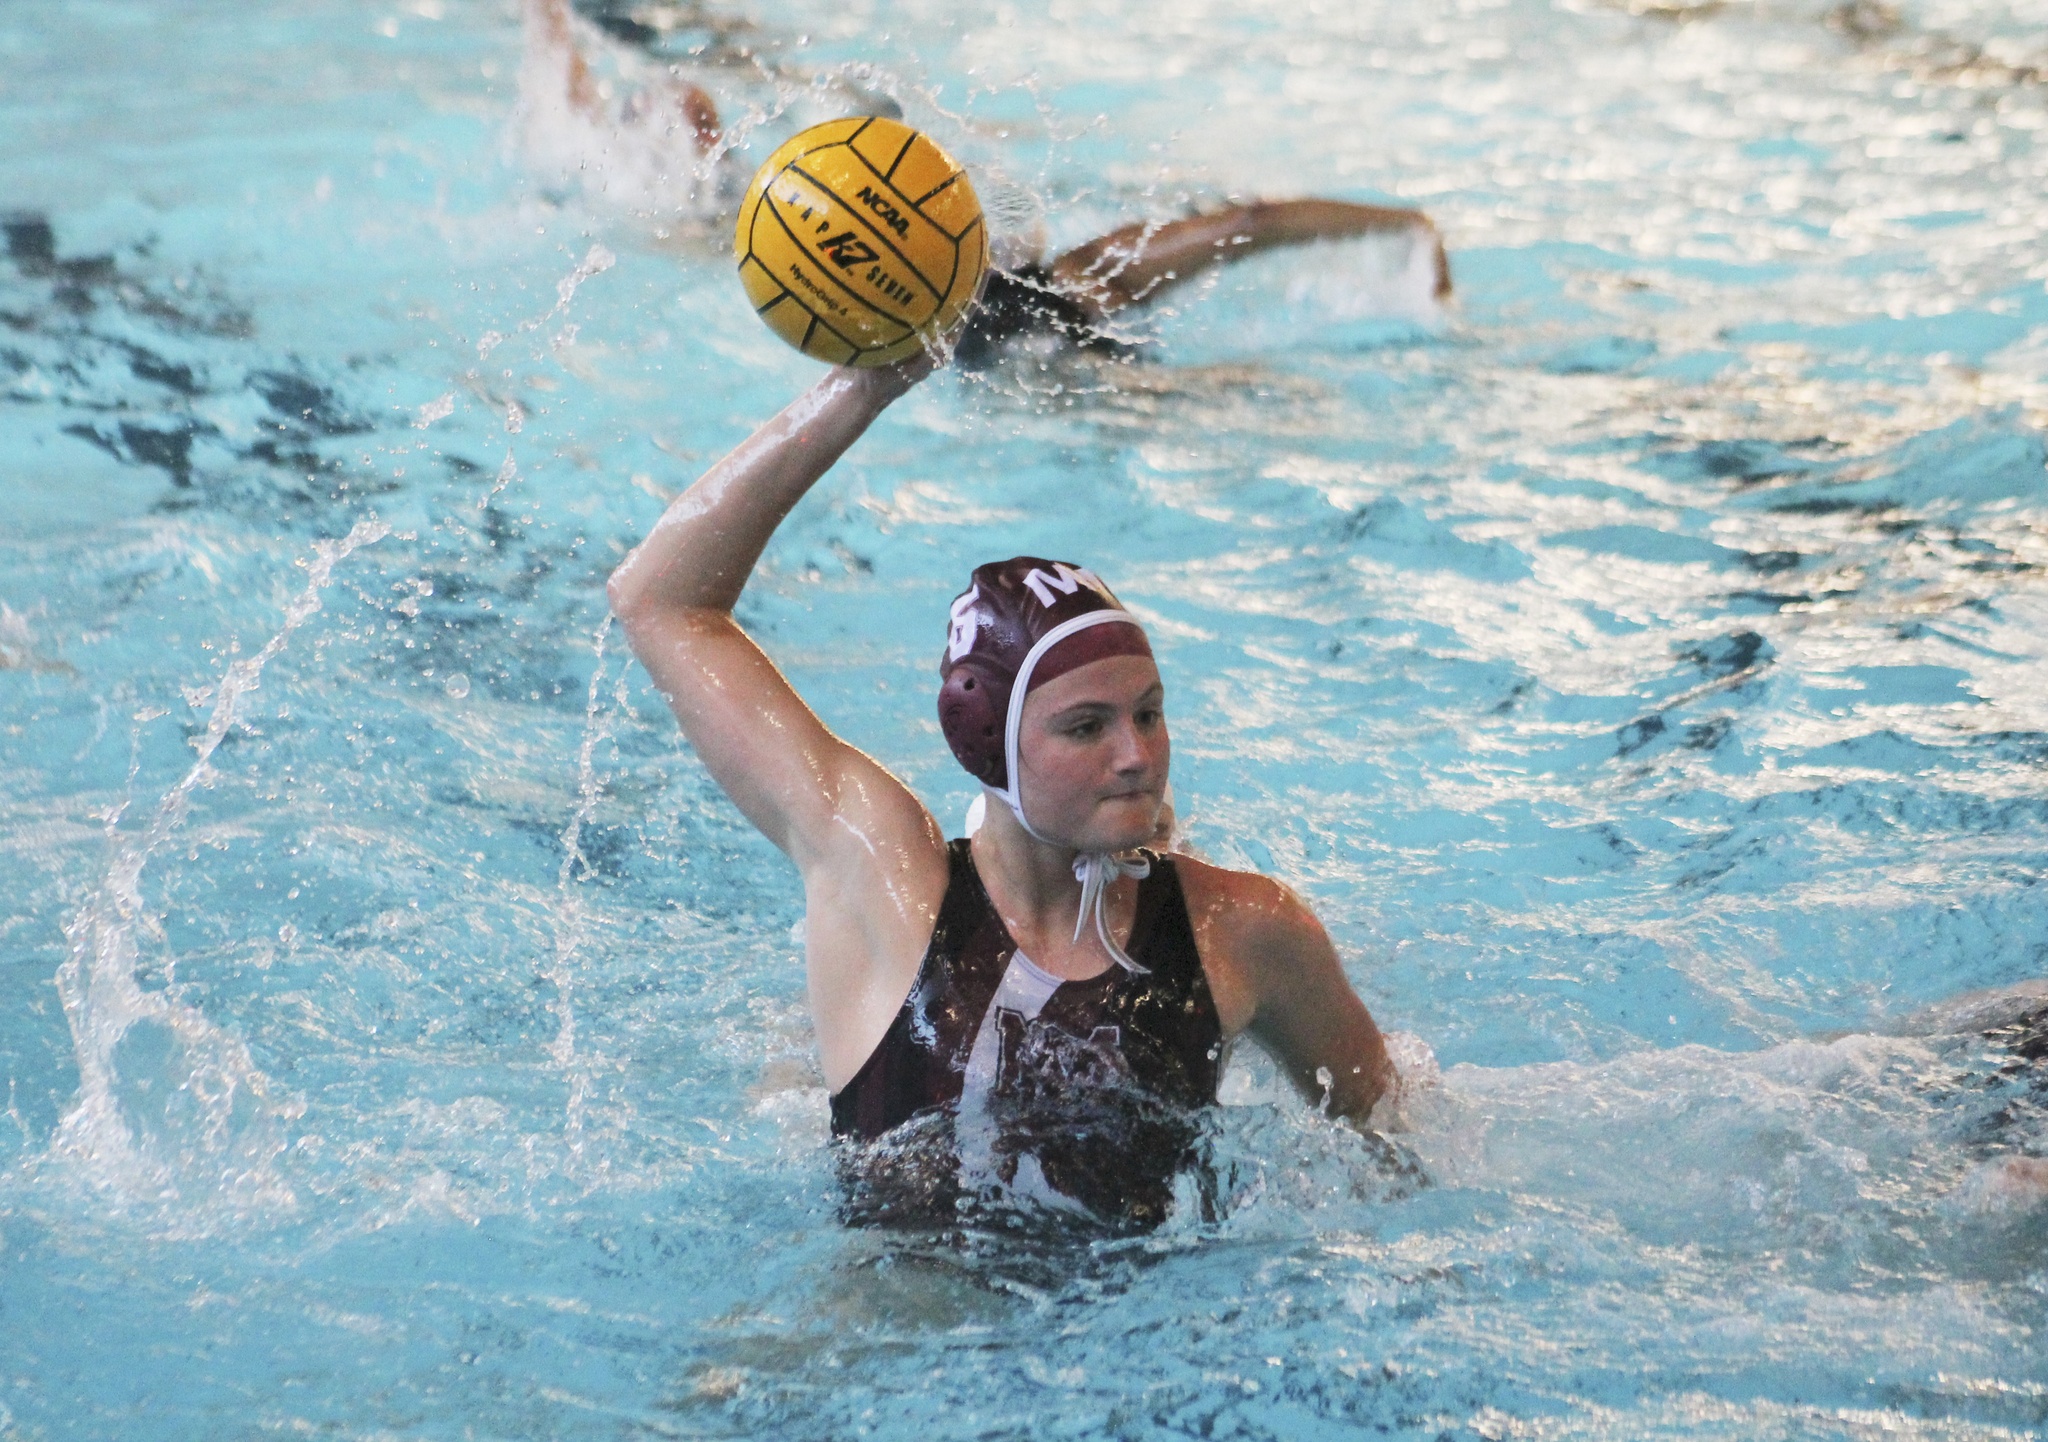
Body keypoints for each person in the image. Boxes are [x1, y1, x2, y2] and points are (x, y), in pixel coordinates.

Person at [606, 355, 1398, 1231]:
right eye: (1087, 727)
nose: (1137, 755)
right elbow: (660, 601)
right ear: (986, 742)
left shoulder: (1243, 931)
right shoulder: (884, 879)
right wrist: (862, 388)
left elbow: (1388, 1139)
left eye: (1150, 713)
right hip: (901, 1330)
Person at [957, 199, 1453, 366]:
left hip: (1057, 298)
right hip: (1035, 378)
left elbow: (1257, 222)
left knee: (1242, 227)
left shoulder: (1090, 270)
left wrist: (1412, 224)